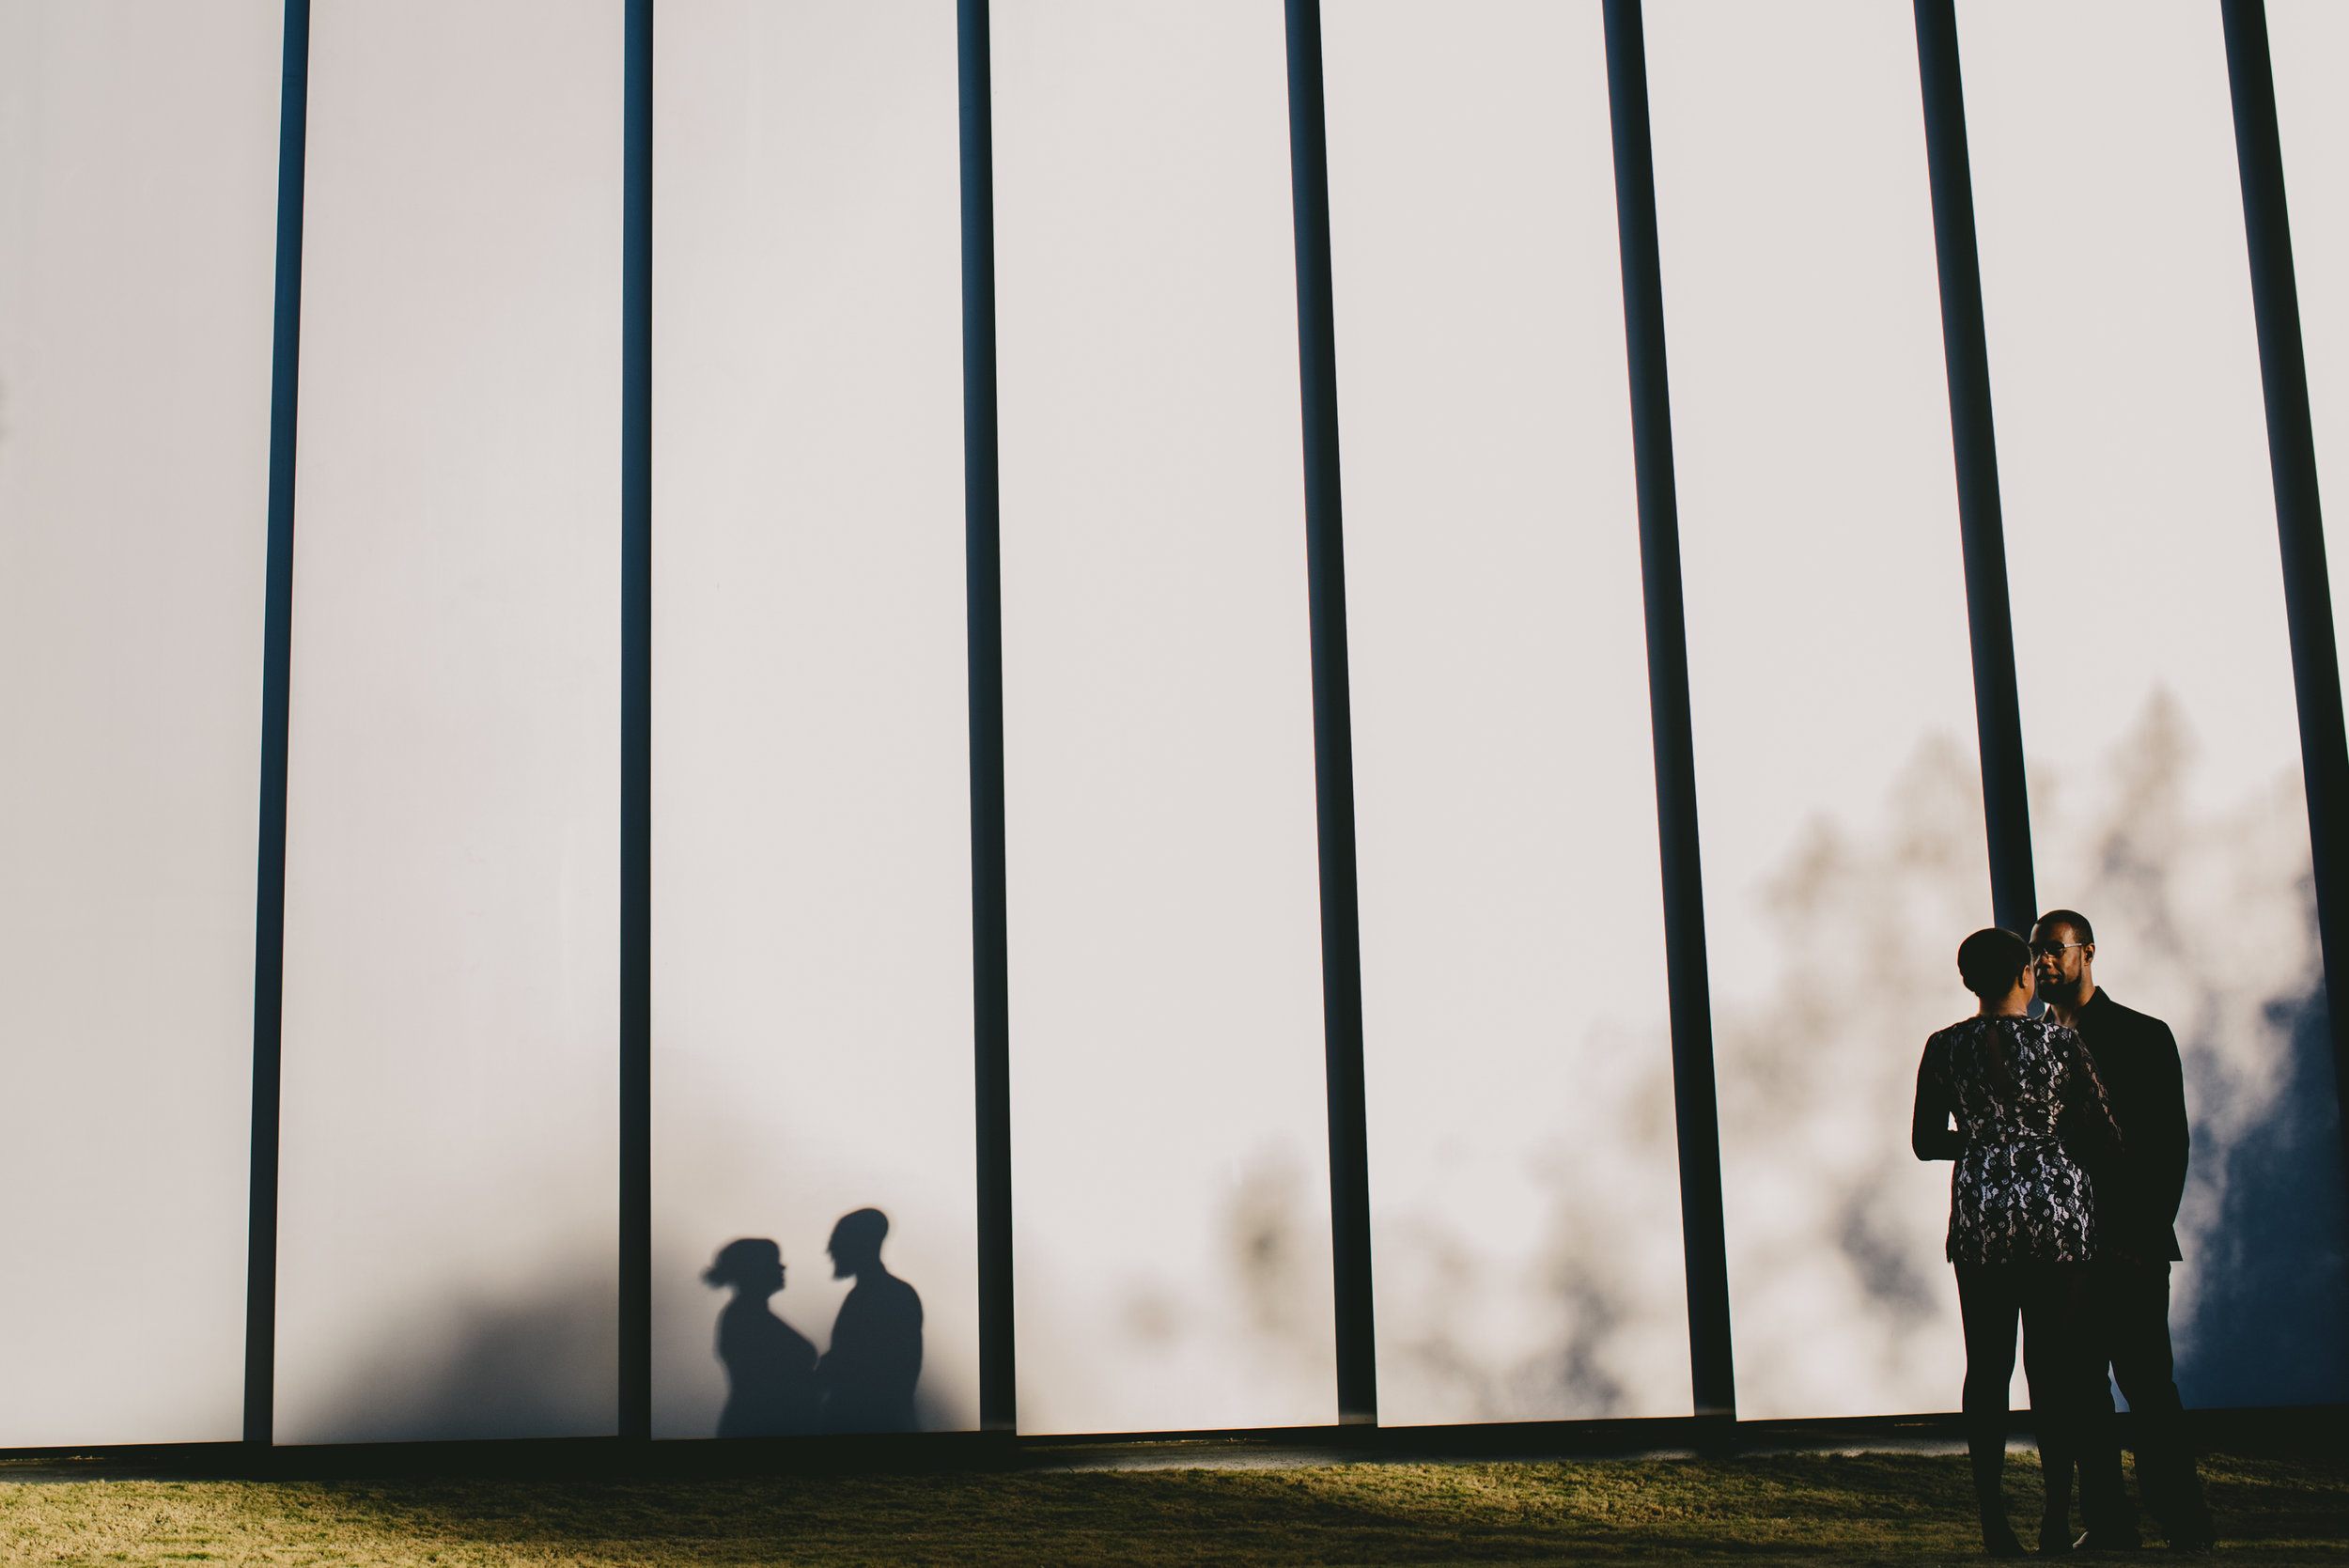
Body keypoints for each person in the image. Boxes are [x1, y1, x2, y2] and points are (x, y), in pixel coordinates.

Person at [1913, 927, 2127, 1557]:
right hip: (2056, 1219)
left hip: (1983, 1217)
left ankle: (1993, 1521)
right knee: (2052, 1369)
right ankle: (2056, 1519)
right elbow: (2106, 1135)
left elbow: (1927, 1140)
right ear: (2025, 977)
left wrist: (1985, 1141)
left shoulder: (1945, 1047)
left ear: (1969, 980)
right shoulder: (2062, 1043)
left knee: (1987, 1369)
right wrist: (2047, 1143)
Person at [2031, 909, 2217, 1551]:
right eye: (2036, 952)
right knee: (2081, 1390)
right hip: (2061, 1251)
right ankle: (2110, 1523)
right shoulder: (2032, 1047)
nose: (2044, 962)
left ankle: (2183, 1519)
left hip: (2129, 1242)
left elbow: (2171, 1143)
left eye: (2055, 949)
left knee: (2146, 1384)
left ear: (2087, 952)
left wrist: (2143, 1233)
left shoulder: (2142, 1034)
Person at [817, 1207, 924, 1433]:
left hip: (868, 1422)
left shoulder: (885, 1296)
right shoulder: (892, 1293)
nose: (830, 1250)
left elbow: (854, 1360)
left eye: (838, 1241)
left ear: (860, 1244)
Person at [704, 1236, 820, 1436]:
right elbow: (770, 1383)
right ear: (754, 1270)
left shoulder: (746, 1314)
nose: (782, 1268)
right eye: (774, 1263)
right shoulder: (745, 1318)